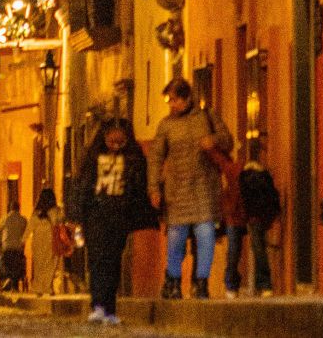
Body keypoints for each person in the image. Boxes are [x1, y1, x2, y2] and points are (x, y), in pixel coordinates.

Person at [149, 77, 234, 299]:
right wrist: (154, 187)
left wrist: (213, 140)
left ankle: (201, 281)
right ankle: (174, 280)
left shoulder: (207, 117)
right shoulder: (165, 125)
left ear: (187, 98)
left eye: (175, 99)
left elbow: (228, 140)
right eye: (169, 100)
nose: (171, 104)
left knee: (205, 233)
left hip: (204, 186)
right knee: (176, 235)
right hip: (177, 189)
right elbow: (156, 157)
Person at [68, 117, 158, 326]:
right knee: (98, 260)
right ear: (104, 139)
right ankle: (98, 304)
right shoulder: (91, 160)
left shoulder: (134, 159)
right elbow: (81, 187)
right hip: (95, 216)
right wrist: (75, 216)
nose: (116, 147)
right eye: (112, 143)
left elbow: (137, 188)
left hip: (119, 216)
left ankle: (109, 307)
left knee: (114, 261)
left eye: (121, 143)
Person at [223, 150, 280, 298]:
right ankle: (263, 284)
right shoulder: (260, 176)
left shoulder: (237, 172)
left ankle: (232, 286)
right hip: (242, 215)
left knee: (235, 249)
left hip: (243, 215)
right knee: (255, 246)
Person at [28, 189, 63, 295]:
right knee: (51, 263)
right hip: (51, 239)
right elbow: (61, 222)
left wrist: (23, 240)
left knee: (39, 265)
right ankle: (48, 286)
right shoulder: (56, 211)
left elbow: (30, 226)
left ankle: (40, 288)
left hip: (37, 240)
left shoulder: (36, 212)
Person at [0, 200, 29, 292]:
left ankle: (7, 278)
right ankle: (14, 285)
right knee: (18, 265)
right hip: (18, 248)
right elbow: (26, 233)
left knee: (3, 261)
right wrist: (22, 243)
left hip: (6, 247)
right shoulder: (23, 220)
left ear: (10, 208)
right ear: (19, 209)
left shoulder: (4, 219)